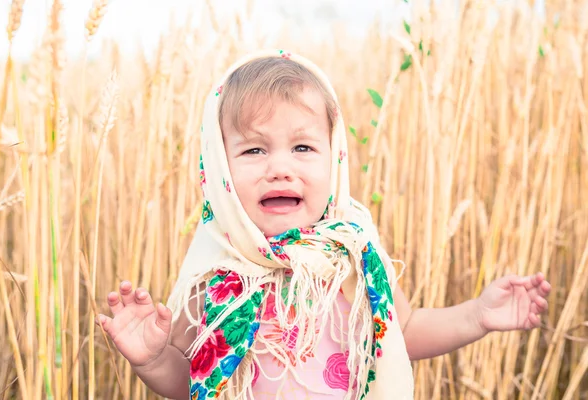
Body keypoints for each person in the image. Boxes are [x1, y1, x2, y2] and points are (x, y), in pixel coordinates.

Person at [96, 50, 552, 400]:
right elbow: (190, 380)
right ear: (219, 169)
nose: (279, 168)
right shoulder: (215, 276)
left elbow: (402, 333)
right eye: (254, 151)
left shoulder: (352, 258)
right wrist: (154, 359)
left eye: (302, 148)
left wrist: (476, 316)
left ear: (334, 159)